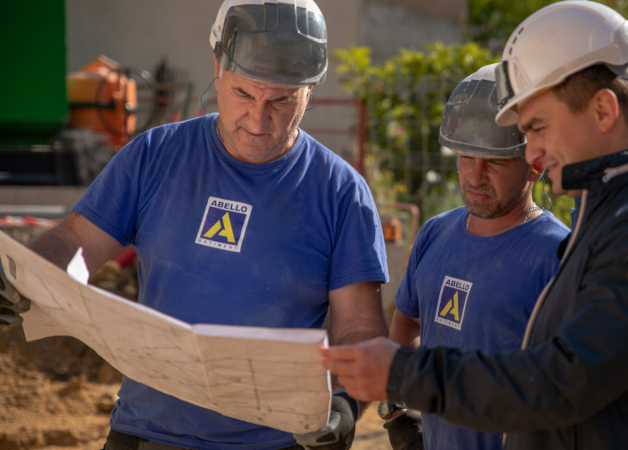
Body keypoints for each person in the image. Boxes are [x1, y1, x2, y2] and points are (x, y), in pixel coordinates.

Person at [319, 2, 628, 449]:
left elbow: (561, 383)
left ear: (603, 110)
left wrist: (404, 373)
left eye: (537, 127)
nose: (531, 153)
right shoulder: (618, 214)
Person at [0, 1, 388, 450]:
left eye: (281, 101)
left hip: (275, 442)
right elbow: (75, 242)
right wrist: (17, 276)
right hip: (146, 434)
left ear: (309, 89)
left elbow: (358, 326)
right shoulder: (155, 155)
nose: (258, 121)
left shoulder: (340, 192)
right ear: (218, 68)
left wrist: (344, 403)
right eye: (244, 95)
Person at [380, 64, 570, 450]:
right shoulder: (434, 233)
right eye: (466, 156)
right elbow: (407, 323)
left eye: (495, 161)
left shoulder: (559, 257)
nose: (475, 176)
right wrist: (398, 410)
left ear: (535, 164)